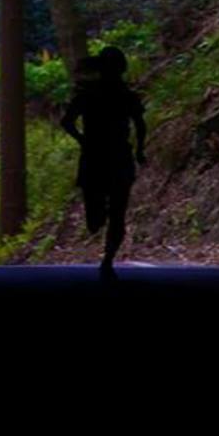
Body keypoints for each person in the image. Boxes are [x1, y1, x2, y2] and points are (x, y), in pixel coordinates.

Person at [62, 46, 146, 281]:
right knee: (116, 213)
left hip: (95, 156)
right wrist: (140, 149)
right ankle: (107, 260)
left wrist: (82, 140)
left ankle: (107, 259)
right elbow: (140, 124)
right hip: (118, 155)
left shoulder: (87, 94)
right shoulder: (127, 96)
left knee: (100, 211)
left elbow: (67, 122)